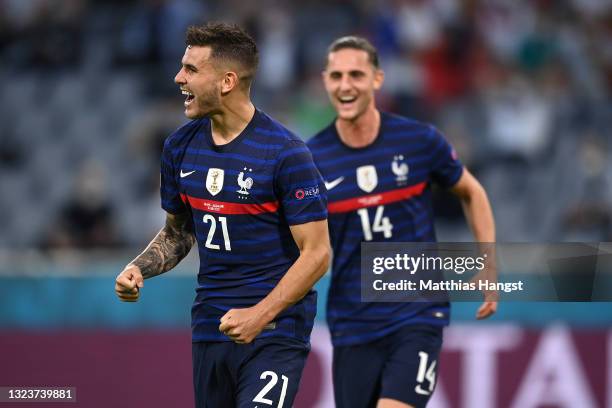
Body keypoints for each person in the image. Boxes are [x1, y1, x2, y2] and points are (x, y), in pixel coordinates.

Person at [114, 23, 331, 408]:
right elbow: (179, 233)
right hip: (211, 328)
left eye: (192, 70)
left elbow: (317, 253)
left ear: (227, 80)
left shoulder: (286, 154)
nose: (178, 77)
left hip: (274, 332)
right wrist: (138, 268)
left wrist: (259, 316)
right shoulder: (179, 146)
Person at [307, 36, 497, 408]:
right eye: (337, 76)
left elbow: (473, 193)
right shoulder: (311, 159)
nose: (346, 85)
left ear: (377, 79)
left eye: (357, 75)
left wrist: (487, 261)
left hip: (417, 313)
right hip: (352, 321)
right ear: (325, 80)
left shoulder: (418, 140)